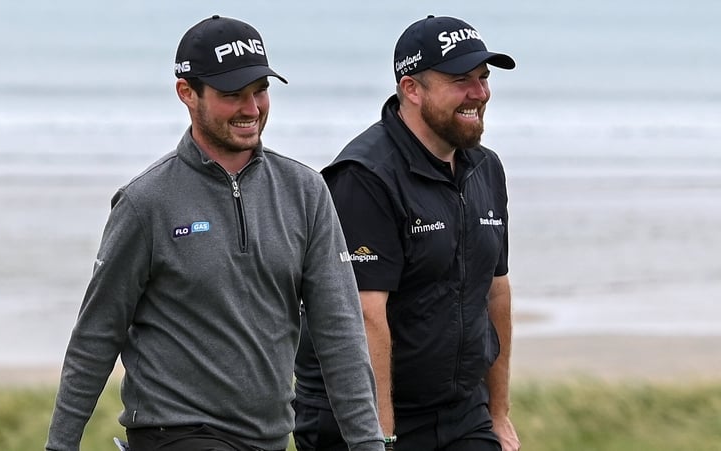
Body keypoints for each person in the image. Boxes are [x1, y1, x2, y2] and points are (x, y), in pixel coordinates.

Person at [45, 15, 384, 451]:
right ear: (187, 93)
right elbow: (97, 335)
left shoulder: (305, 192)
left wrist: (368, 443)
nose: (251, 108)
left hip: (269, 437)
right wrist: (61, 444)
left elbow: (340, 331)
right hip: (175, 431)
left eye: (260, 91)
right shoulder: (145, 201)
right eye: (231, 95)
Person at [293, 15, 520, 451]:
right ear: (411, 88)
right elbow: (366, 317)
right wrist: (381, 438)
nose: (480, 93)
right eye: (461, 80)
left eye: (483, 78)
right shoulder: (364, 177)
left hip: (460, 413)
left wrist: (498, 413)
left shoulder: (484, 168)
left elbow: (496, 292)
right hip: (359, 418)